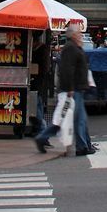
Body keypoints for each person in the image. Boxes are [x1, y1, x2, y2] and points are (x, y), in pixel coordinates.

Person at [36, 23, 98, 156]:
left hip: (76, 89)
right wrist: (70, 88)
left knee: (78, 119)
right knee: (69, 119)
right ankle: (43, 137)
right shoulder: (70, 48)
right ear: (73, 35)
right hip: (73, 90)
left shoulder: (74, 47)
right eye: (79, 33)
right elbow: (67, 70)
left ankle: (84, 145)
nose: (81, 35)